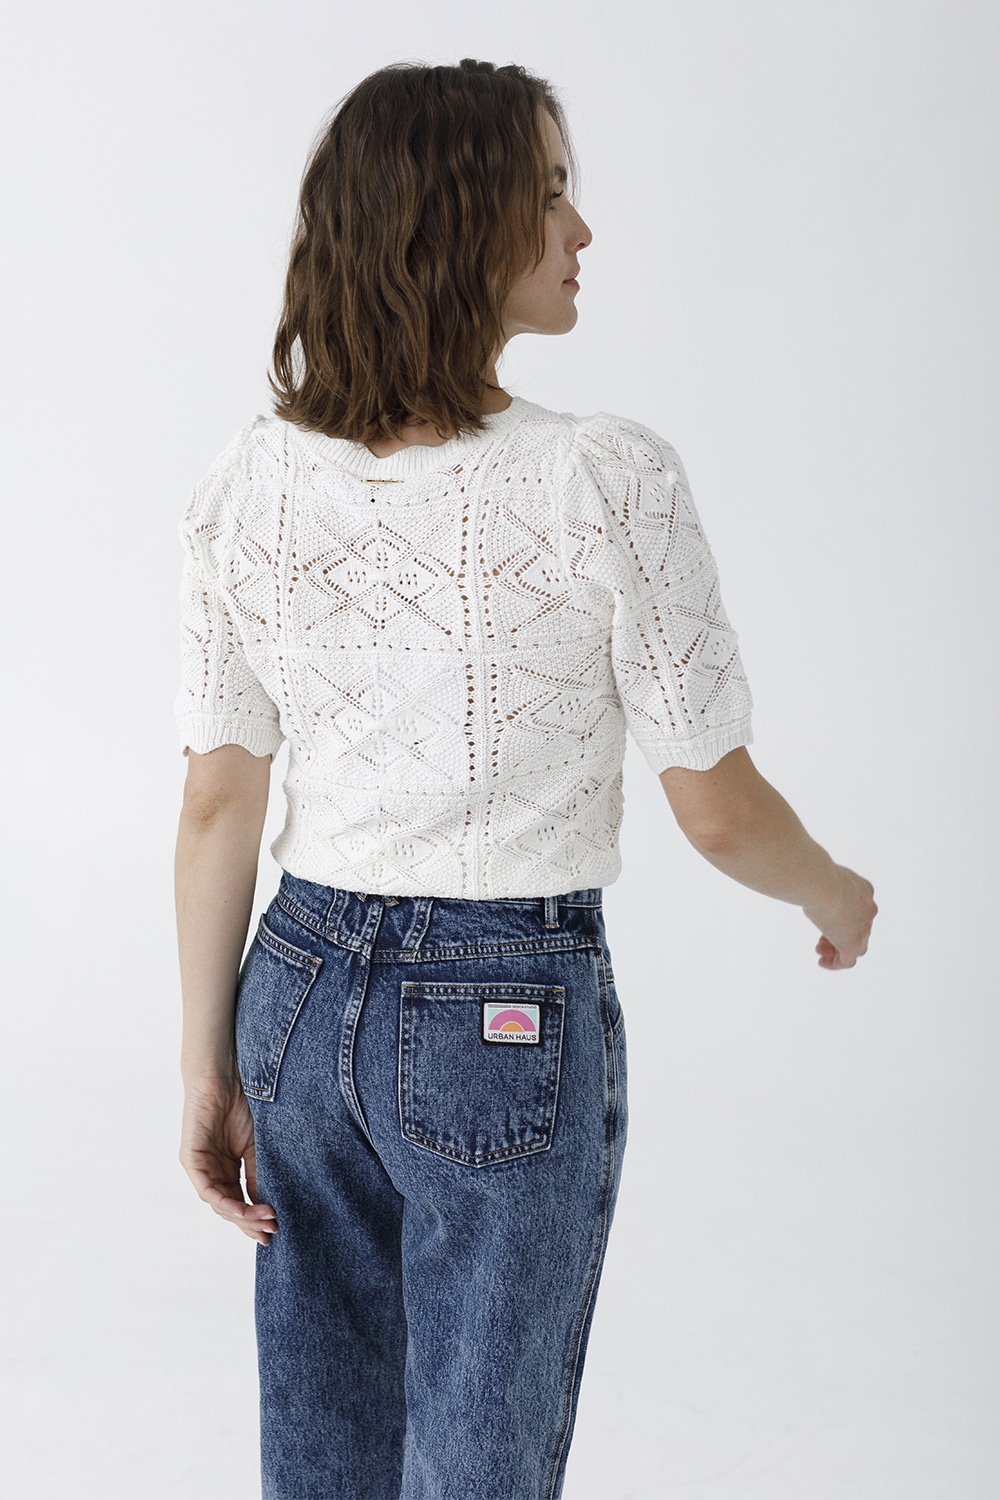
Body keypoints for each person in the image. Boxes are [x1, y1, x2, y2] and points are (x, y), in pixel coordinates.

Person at [174, 59, 876, 1500]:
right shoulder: (603, 479)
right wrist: (839, 896)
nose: (582, 228)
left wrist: (208, 1064)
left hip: (291, 991)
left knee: (325, 1454)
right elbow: (718, 808)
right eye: (550, 192)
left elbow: (215, 801)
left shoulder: (254, 482)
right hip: (499, 1008)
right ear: (458, 221)